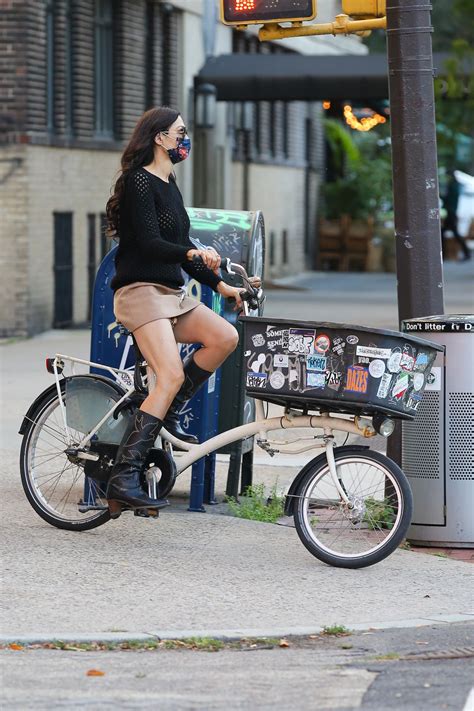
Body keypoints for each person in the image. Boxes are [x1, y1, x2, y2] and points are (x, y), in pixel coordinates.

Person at [104, 107, 243, 512]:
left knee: (224, 337)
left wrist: (221, 285)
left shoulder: (169, 181)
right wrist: (191, 249)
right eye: (180, 133)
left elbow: (181, 251)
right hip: (140, 291)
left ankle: (168, 410)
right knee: (170, 372)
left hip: (171, 292)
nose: (186, 140)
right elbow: (149, 243)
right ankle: (123, 477)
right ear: (160, 137)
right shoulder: (137, 182)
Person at [442, 169, 471, 261]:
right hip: (451, 213)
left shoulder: (454, 185)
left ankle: (445, 254)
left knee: (450, 234)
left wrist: (442, 196)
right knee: (445, 233)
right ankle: (445, 254)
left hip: (451, 213)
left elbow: (449, 200)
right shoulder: (454, 185)